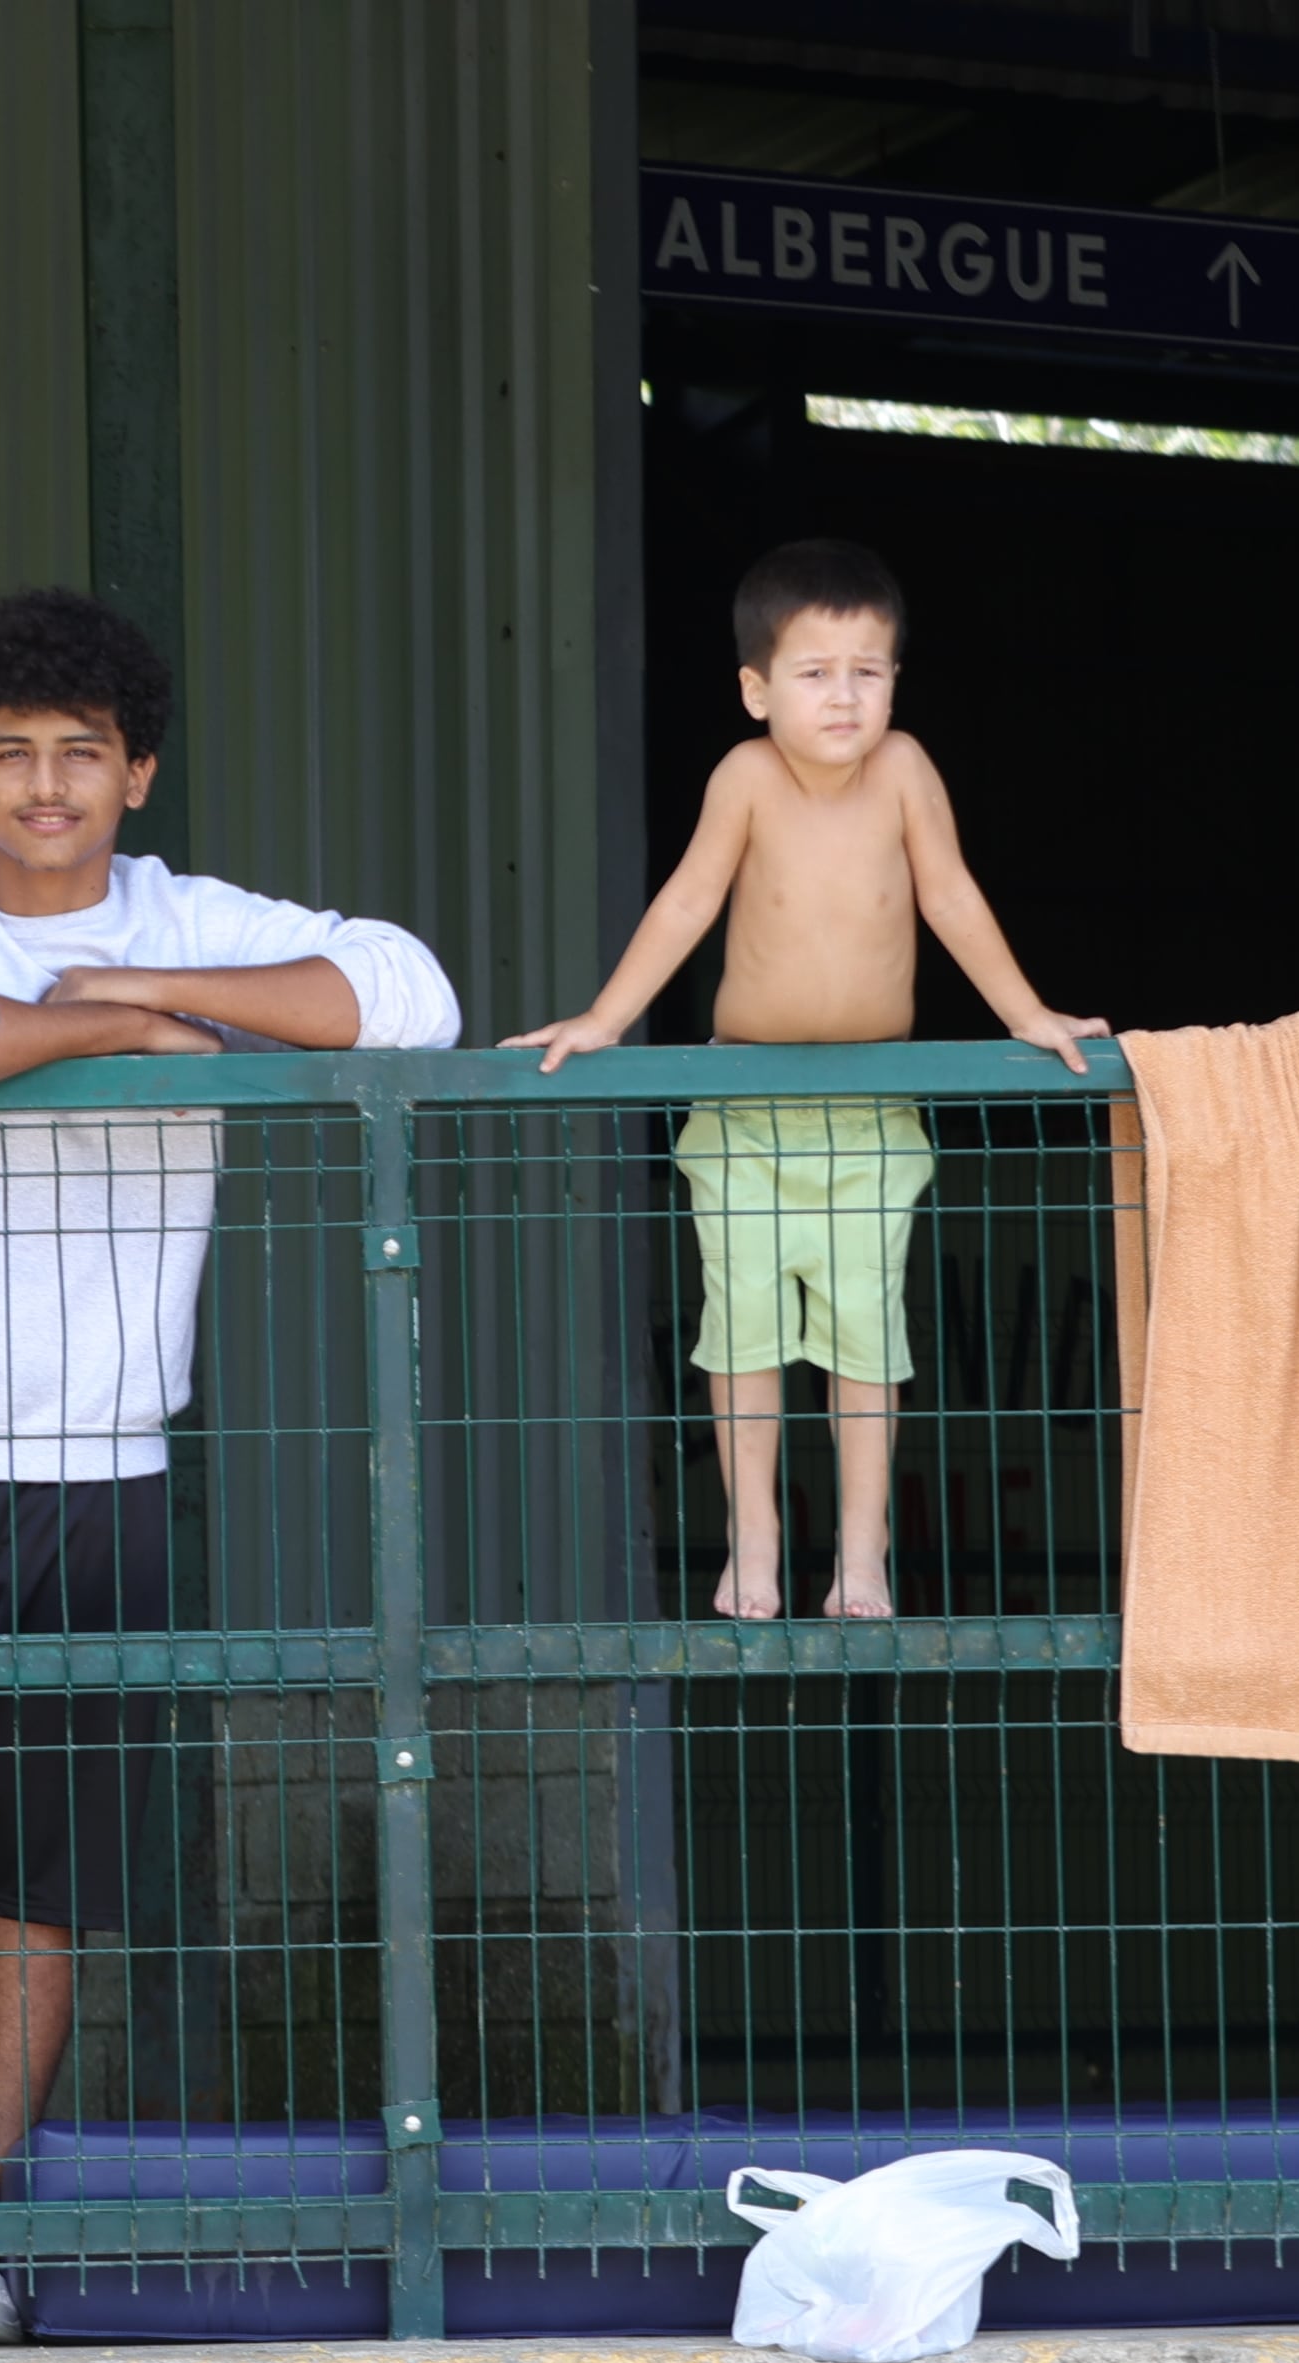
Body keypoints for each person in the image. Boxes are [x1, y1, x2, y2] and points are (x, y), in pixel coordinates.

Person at [0, 588, 462, 2344]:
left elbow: (413, 995)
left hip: (97, 1464)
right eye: (6, 755)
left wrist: (154, 979)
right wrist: (109, 1031)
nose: (39, 787)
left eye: (76, 755)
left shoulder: (192, 919)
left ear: (134, 772)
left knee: (44, 1875)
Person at [505, 540, 1102, 1621]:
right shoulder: (745, 778)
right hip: (743, 1107)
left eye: (867, 671)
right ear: (755, 689)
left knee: (867, 1338)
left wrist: (1029, 1015)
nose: (844, 696)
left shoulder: (906, 770)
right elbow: (686, 902)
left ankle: (862, 1554)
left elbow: (952, 898)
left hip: (872, 1110)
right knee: (742, 1336)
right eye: (813, 672)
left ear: (895, 685)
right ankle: (756, 1540)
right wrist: (604, 1018)